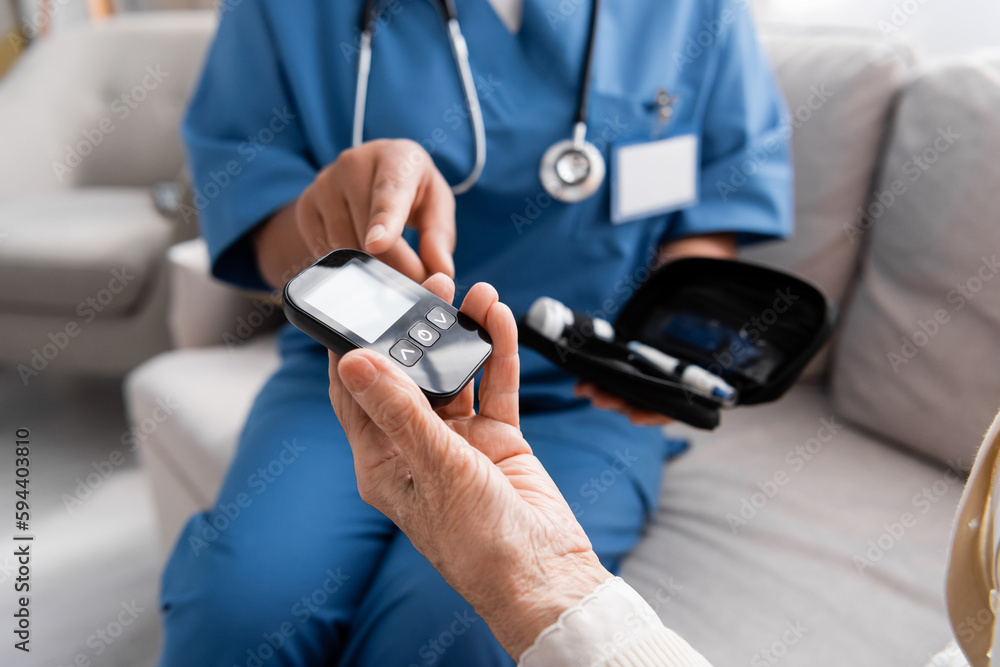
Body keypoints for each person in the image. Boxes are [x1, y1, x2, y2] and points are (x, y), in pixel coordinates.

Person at [160, 0, 792, 664]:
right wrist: (325, 217)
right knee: (236, 616)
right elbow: (255, 212)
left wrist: (663, 355)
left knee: (458, 632)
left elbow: (710, 213)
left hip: (578, 392)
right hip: (359, 372)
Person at [329, 270, 714, 665]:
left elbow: (702, 282)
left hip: (587, 402)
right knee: (268, 611)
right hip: (367, 365)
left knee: (440, 636)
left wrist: (536, 575)